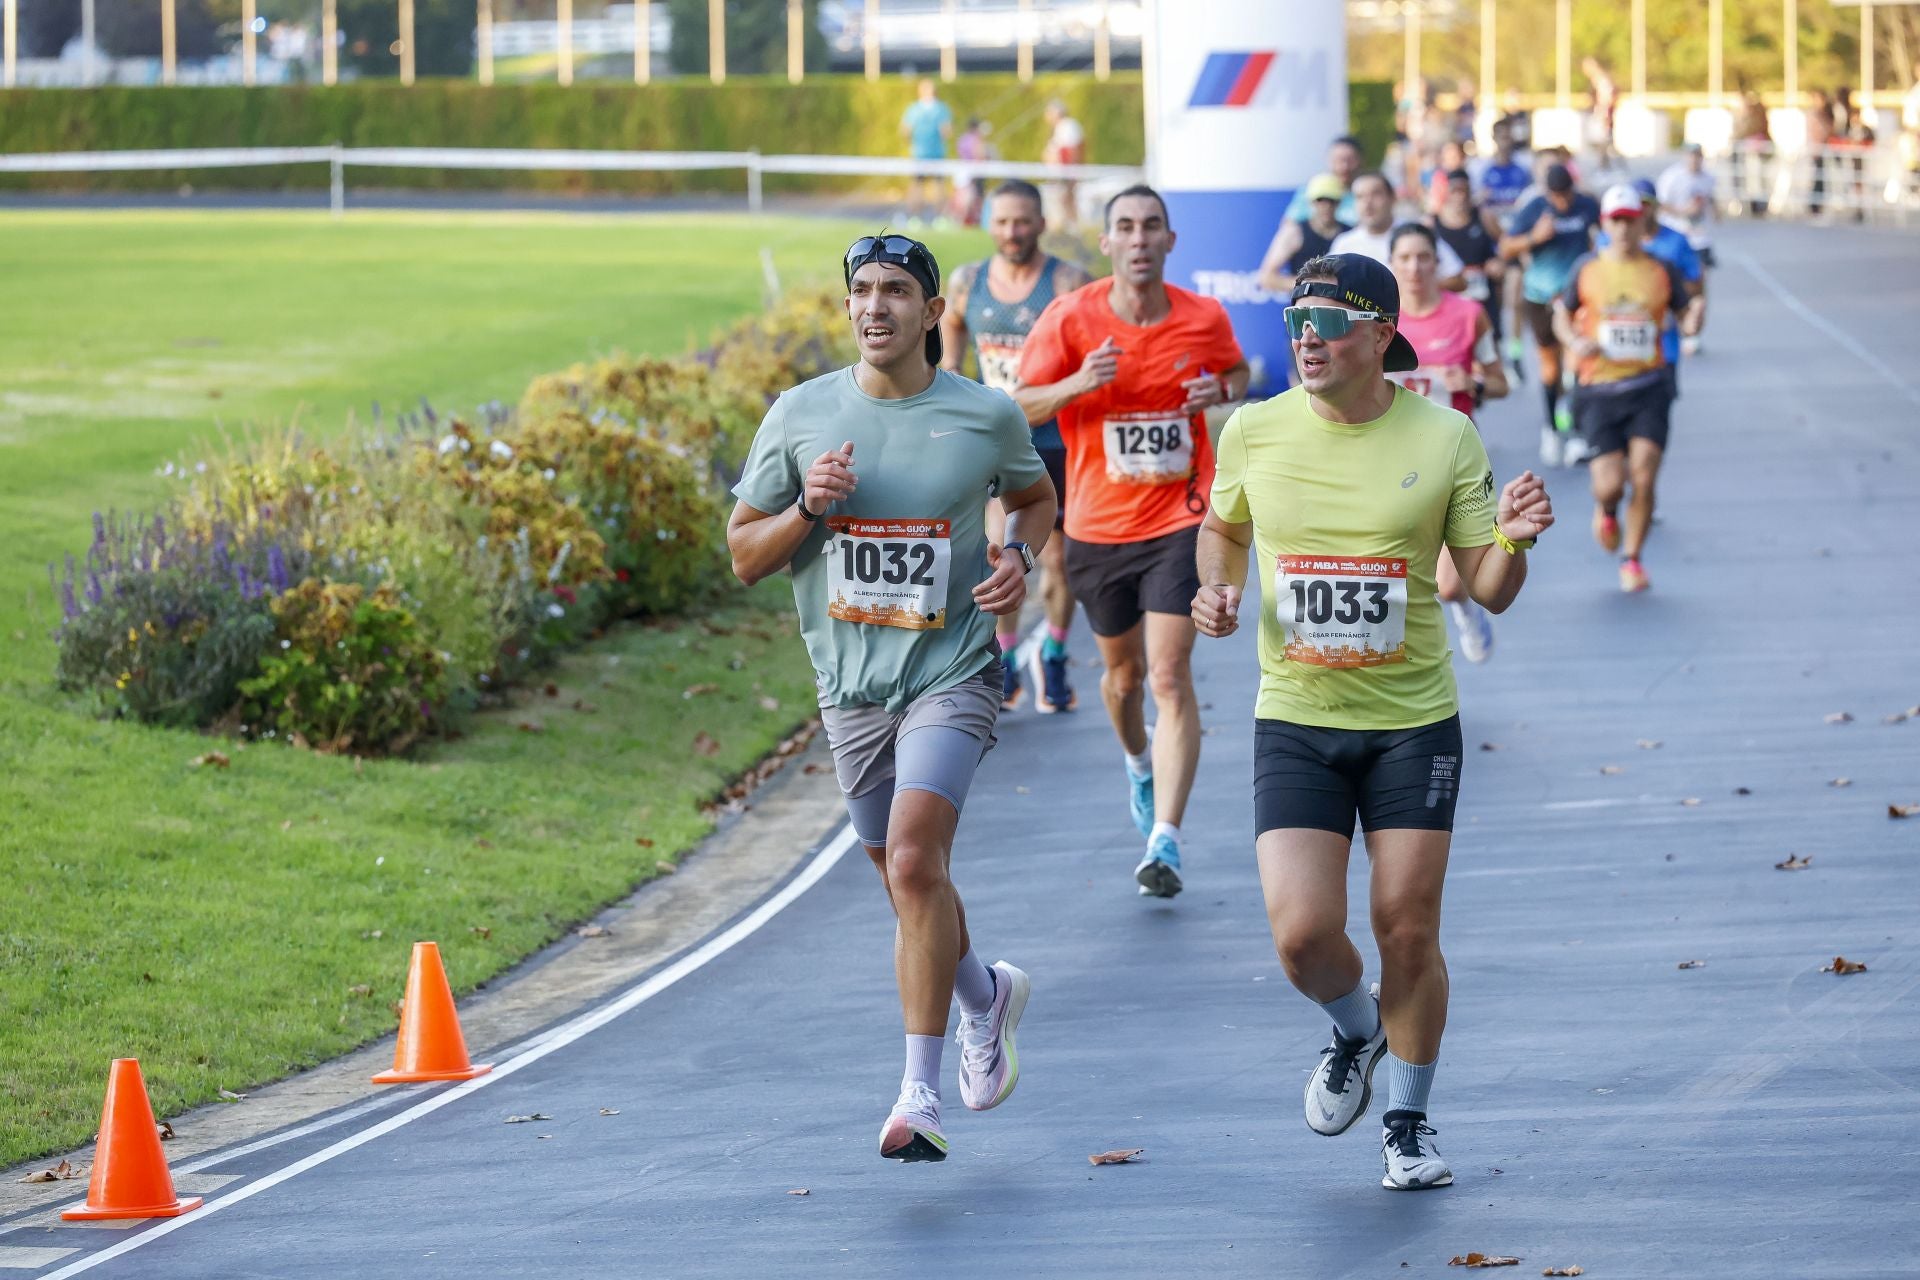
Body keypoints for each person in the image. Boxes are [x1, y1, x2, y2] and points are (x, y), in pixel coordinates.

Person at [1193, 252, 1554, 1192]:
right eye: (1297, 322)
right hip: (1298, 716)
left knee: (1405, 927)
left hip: (1411, 723)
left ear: (1383, 335)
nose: (1307, 338)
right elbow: (1224, 528)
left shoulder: (1446, 437)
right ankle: (1356, 1030)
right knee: (1304, 936)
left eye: (1331, 322)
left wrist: (1513, 538)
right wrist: (1218, 589)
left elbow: (1490, 590)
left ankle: (1409, 1121)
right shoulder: (1254, 431)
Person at [727, 233, 1057, 1162]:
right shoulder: (799, 416)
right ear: (846, 308)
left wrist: (1016, 556)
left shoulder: (983, 414)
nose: (877, 307)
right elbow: (746, 556)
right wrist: (808, 509)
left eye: (898, 292)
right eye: (863, 291)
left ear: (932, 311)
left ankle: (918, 1096)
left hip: (951, 670)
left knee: (915, 860)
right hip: (852, 688)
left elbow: (1035, 500)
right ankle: (985, 997)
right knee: (904, 880)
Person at [1014, 185, 1249, 898]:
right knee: (1123, 682)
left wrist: (1222, 390)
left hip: (1181, 519)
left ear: (1170, 241)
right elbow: (1016, 406)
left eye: (1152, 226)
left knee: (1171, 676)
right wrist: (1080, 381)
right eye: (1125, 227)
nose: (1140, 238)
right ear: (1108, 242)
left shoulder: (1203, 315)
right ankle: (1140, 763)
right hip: (1097, 527)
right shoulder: (1070, 317)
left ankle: (1166, 842)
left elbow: (1235, 371)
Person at [941, 180, 1094, 713]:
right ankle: (1004, 661)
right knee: (1000, 556)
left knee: (1063, 563)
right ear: (989, 224)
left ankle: (1052, 649)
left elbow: (1096, 351)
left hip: (1059, 442)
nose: (1013, 232)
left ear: (1041, 222)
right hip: (997, 446)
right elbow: (951, 333)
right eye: (1003, 221)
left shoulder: (1068, 282)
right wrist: (951, 380)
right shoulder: (967, 282)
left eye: (1023, 221)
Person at [1552, 186, 1699, 594]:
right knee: (1610, 483)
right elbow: (1561, 316)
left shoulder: (1661, 270)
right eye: (1614, 220)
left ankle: (1632, 558)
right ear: (1604, 223)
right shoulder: (1586, 269)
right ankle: (1607, 507)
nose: (1621, 227)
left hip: (1649, 384)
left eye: (1629, 219)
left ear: (1641, 223)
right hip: (1598, 387)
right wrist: (1572, 341)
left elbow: (1685, 319)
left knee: (1646, 473)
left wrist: (1695, 321)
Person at [1388, 223, 1509, 663]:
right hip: (1389, 463)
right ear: (1392, 264)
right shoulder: (1379, 323)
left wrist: (1473, 383)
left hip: (1453, 461)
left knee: (1451, 584)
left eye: (1424, 257)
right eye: (1404, 258)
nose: (1415, 267)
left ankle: (1466, 613)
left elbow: (1501, 383)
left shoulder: (1468, 314)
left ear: (1438, 263)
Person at [1499, 162, 1600, 466]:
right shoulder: (1534, 209)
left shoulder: (1586, 205)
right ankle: (1552, 428)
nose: (1563, 202)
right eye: (1557, 196)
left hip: (1575, 298)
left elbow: (1604, 234)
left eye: (1566, 194)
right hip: (1540, 296)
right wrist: (1535, 238)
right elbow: (1505, 248)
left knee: (1576, 363)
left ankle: (1577, 432)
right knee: (1550, 368)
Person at [1618, 177, 1704, 387]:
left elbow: (1695, 284)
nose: (1642, 211)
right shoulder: (1610, 241)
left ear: (1656, 207)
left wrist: (1666, 297)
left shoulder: (1676, 241)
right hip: (1618, 352)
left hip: (1663, 348)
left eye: (1646, 205)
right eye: (1636, 206)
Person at [1329, 172, 1467, 284]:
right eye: (1360, 197)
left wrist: (1415, 288)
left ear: (1392, 198)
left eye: (1375, 194)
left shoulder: (1416, 234)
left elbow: (1457, 278)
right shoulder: (1344, 245)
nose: (1367, 203)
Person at [1429, 168, 1505, 350]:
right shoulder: (1432, 224)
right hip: (1448, 298)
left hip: (1483, 297)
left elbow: (1507, 245)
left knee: (1488, 347)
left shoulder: (1484, 217)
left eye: (1464, 191)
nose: (1460, 197)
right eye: (1454, 190)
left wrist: (1499, 262)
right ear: (1445, 192)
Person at [1257, 173, 1352, 297]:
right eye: (1320, 200)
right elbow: (1266, 277)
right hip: (1305, 308)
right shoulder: (1295, 232)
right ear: (1311, 202)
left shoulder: (1350, 234)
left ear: (1339, 203)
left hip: (1341, 309)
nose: (1326, 206)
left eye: (1331, 201)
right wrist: (1310, 286)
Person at [1656, 142, 1718, 283]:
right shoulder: (1672, 177)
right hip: (1677, 235)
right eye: (1691, 155)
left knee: (1700, 278)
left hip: (1701, 238)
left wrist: (1714, 212)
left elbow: (1711, 200)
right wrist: (1683, 211)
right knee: (1677, 279)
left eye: (1698, 156)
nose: (1694, 160)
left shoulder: (1708, 178)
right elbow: (1660, 204)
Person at [900, 79, 954, 221]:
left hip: (932, 153)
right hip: (923, 153)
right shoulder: (921, 109)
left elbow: (905, 132)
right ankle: (920, 217)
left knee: (935, 186)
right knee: (921, 185)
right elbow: (947, 132)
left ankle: (931, 218)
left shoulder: (936, 108)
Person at [1042, 99, 1087, 229]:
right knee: (1062, 201)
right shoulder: (1061, 128)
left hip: (1066, 173)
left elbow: (1071, 151)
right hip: (1061, 174)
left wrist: (1070, 173)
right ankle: (1066, 227)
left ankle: (1072, 228)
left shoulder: (1068, 126)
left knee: (1067, 200)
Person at [950, 117, 991, 227]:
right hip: (974, 172)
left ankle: (962, 219)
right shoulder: (976, 139)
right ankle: (973, 219)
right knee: (974, 196)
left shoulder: (963, 139)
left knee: (963, 195)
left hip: (962, 171)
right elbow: (980, 155)